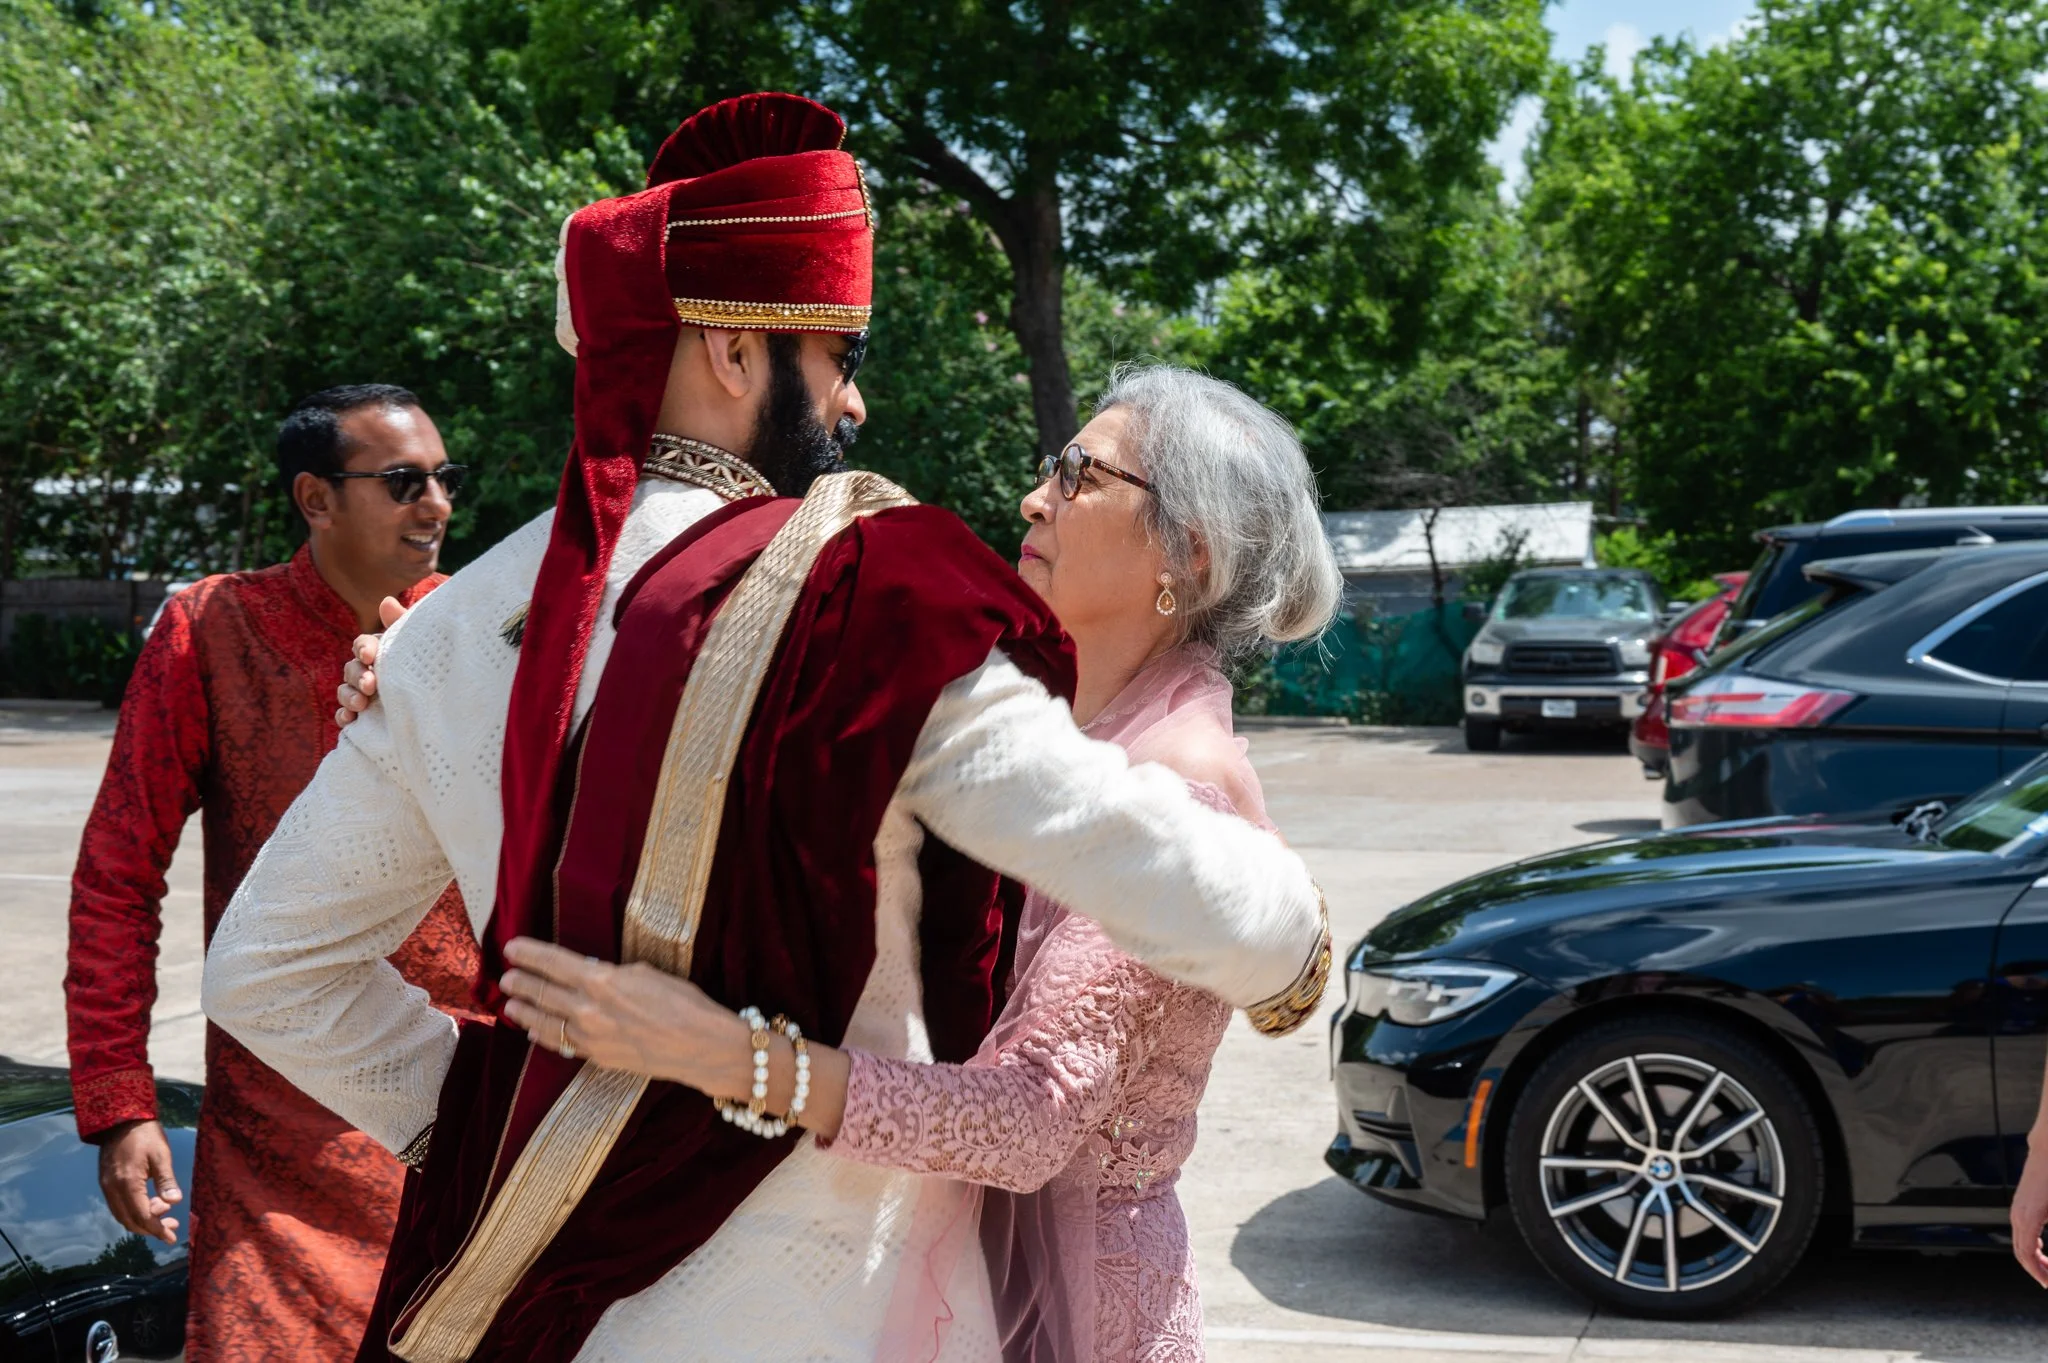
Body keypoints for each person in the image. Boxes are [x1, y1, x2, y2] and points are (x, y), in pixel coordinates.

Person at [203, 94, 1328, 1363]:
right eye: (837, 353)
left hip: (552, 1295)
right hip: (852, 1303)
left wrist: (491, 1111)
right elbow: (1208, 903)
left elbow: (265, 972)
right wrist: (1292, 945)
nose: (850, 403)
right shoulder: (867, 606)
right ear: (736, 352)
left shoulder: (455, 627)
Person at [489, 364, 1344, 1360]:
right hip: (934, 1260)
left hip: (1067, 1312)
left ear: (1186, 557)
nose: (1035, 497)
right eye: (1050, 467)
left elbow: (1027, 1124)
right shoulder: (1056, 723)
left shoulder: (1183, 781)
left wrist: (730, 1057)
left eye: (1081, 475)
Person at [64, 385, 480, 1362]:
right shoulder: (211, 630)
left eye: (444, 480)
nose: (437, 504)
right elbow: (119, 869)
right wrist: (120, 1103)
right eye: (404, 482)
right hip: (275, 1150)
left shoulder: (484, 637)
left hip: (457, 1114)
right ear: (315, 498)